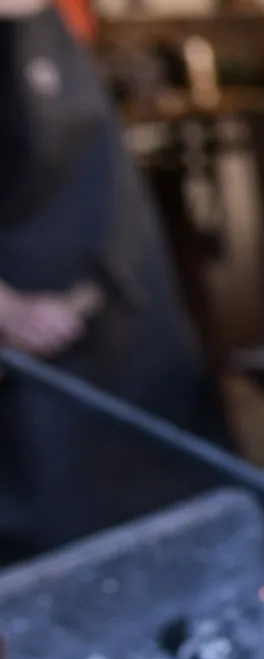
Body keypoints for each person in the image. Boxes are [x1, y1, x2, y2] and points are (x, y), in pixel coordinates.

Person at [0, 0, 227, 567]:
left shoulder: (52, 18)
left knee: (182, 531)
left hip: (132, 331)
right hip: (45, 369)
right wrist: (6, 310)